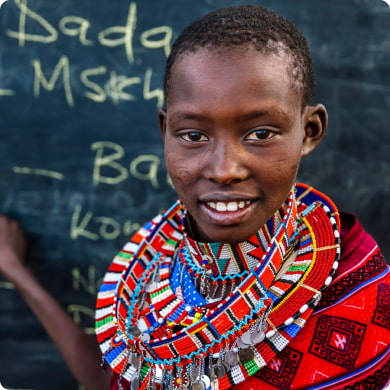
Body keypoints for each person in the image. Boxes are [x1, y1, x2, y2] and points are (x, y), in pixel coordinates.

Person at [0, 5, 389, 390]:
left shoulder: (356, 298)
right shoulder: (148, 274)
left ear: (309, 131)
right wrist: (17, 272)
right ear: (165, 130)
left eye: (261, 133)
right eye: (193, 135)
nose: (223, 169)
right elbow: (117, 381)